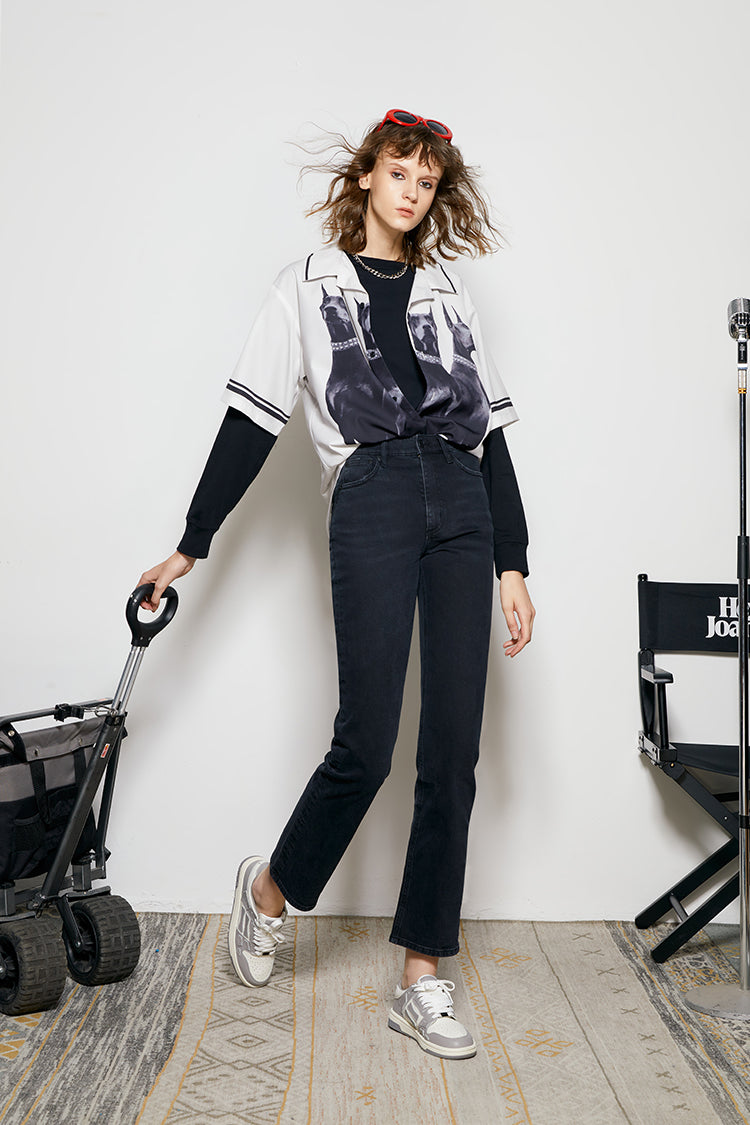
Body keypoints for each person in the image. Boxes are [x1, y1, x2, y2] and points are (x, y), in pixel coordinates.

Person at [139, 109, 535, 1061]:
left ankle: (422, 973)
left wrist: (513, 561)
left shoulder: (449, 291)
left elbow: (491, 435)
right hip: (371, 496)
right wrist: (190, 544)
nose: (412, 192)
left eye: (427, 182)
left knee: (452, 750)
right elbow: (251, 421)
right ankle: (270, 888)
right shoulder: (303, 285)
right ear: (366, 177)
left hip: (461, 500)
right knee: (365, 742)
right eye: (399, 173)